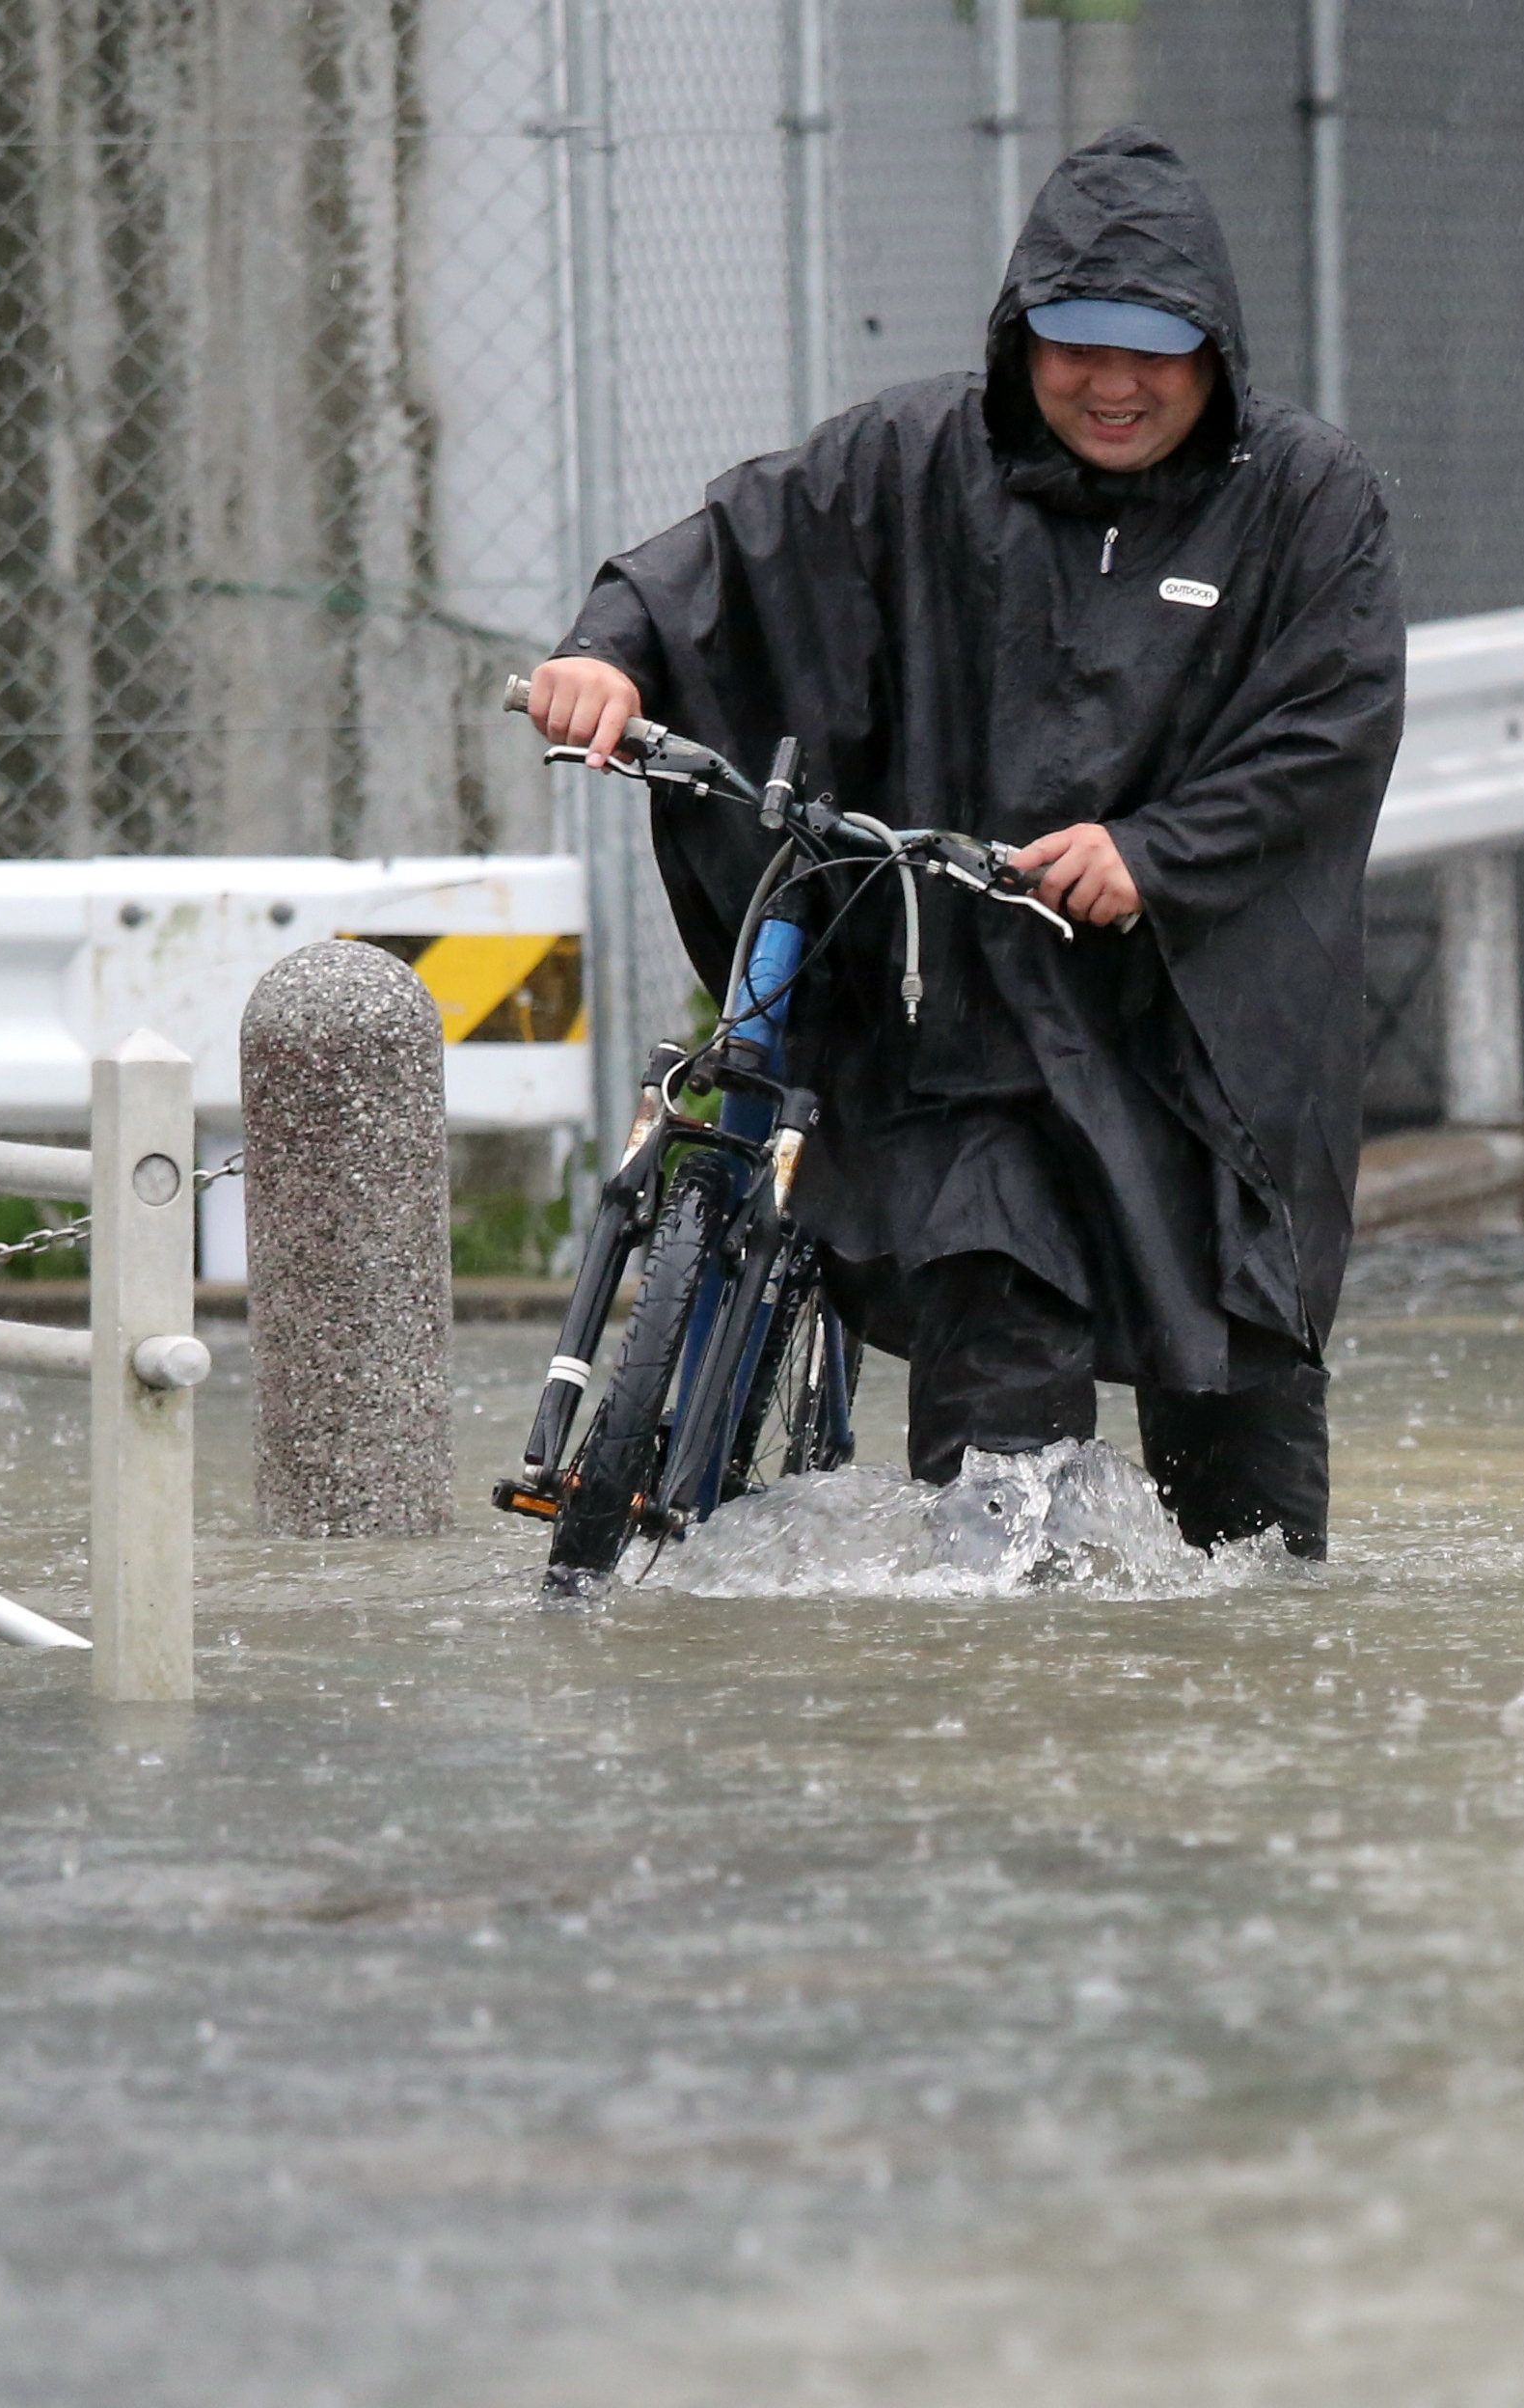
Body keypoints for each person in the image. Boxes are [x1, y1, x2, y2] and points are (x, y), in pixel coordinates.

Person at [523, 128, 1404, 1556]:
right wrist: (607, 655)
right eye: (1075, 349)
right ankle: (995, 1685)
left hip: (1207, 1033)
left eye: (1155, 355)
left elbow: (1332, 724)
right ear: (1020, 341)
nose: (1112, 387)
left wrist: (1155, 852)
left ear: (1215, 351)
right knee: (998, 1397)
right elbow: (729, 555)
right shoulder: (917, 458)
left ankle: (1251, 1729)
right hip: (974, 1022)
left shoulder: (1307, 497)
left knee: (1244, 1467)